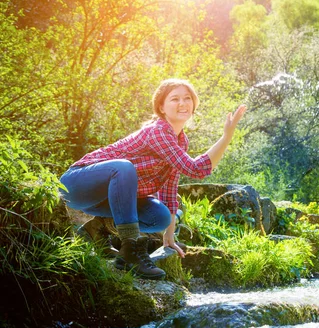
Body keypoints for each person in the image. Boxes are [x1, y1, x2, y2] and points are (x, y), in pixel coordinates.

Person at [60, 79, 246, 280]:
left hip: (106, 200)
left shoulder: (180, 141)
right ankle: (129, 251)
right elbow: (195, 169)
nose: (182, 103)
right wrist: (226, 137)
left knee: (160, 216)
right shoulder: (157, 131)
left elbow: (169, 188)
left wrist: (169, 236)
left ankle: (98, 228)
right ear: (161, 107)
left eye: (187, 98)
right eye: (175, 99)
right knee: (123, 168)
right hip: (76, 184)